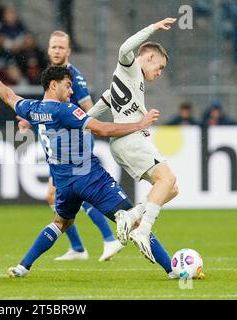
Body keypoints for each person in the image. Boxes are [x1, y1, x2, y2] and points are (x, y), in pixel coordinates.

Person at [0, 60, 167, 278]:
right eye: (67, 85)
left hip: (64, 183)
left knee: (61, 222)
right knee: (134, 221)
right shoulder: (66, 110)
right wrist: (139, 125)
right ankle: (173, 269)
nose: (71, 90)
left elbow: (9, 96)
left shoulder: (33, 109)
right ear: (52, 85)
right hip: (89, 177)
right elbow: (102, 129)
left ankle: (22, 267)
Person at [20, 30, 123, 262]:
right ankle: (78, 247)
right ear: (48, 49)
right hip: (61, 146)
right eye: (53, 46)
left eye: (60, 47)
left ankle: (108, 239)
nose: (56, 50)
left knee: (74, 191)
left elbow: (88, 106)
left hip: (73, 145)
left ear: (68, 51)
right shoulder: (55, 76)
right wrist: (31, 119)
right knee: (54, 195)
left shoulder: (73, 76)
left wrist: (85, 127)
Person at [88, 18, 181, 264]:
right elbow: (123, 50)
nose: (159, 74)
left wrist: (82, 121)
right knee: (168, 179)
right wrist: (153, 27)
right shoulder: (129, 67)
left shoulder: (128, 80)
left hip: (124, 142)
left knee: (171, 189)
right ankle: (142, 229)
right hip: (130, 138)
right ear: (148, 57)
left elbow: (106, 100)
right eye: (159, 67)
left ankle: (132, 216)